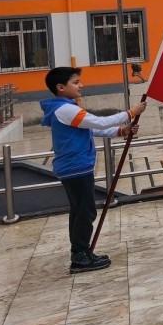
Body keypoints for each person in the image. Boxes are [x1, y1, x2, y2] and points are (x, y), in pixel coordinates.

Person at [41, 67, 145, 273]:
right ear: (61, 88)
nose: (81, 85)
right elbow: (99, 121)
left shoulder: (66, 108)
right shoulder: (65, 109)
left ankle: (82, 251)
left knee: (80, 211)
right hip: (75, 167)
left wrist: (121, 131)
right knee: (85, 212)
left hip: (76, 167)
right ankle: (80, 256)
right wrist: (130, 113)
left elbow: (93, 128)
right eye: (76, 82)